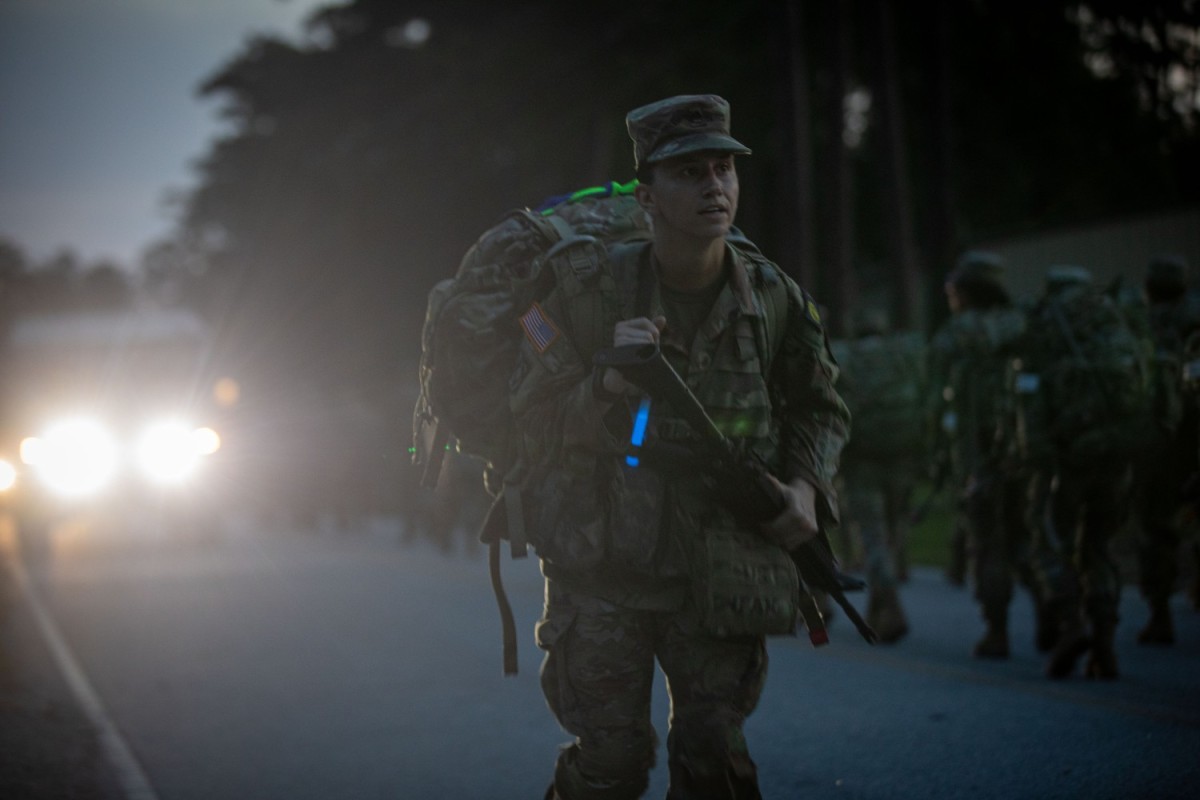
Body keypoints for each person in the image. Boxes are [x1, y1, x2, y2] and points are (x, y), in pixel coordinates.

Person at [509, 95, 850, 800]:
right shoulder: (584, 294)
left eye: (724, 168)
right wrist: (605, 382)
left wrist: (805, 489)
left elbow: (821, 407)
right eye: (690, 172)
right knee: (611, 764)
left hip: (719, 564)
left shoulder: (774, 298)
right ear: (647, 197)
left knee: (713, 759)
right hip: (602, 567)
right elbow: (531, 420)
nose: (714, 186)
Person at [1014, 266, 1148, 679]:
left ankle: (1072, 624)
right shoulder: (1115, 316)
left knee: (1048, 539)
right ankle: (1104, 642)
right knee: (1100, 546)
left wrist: (1035, 450)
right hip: (1117, 448)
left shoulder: (1046, 321)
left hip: (1067, 453)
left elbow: (1029, 386)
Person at [926, 252, 1050, 659]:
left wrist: (937, 452)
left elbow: (935, 398)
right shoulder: (1024, 323)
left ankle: (997, 631)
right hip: (1025, 453)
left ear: (966, 291)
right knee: (1024, 536)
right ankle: (1050, 610)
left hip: (977, 459)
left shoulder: (955, 333)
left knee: (987, 542)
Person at [831, 308, 925, 642]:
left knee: (871, 534)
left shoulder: (844, 356)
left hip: (861, 458)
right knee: (894, 527)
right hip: (902, 452)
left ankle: (890, 602)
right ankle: (878, 605)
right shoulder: (904, 353)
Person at [1131, 255, 1200, 644]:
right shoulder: (1194, 321)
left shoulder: (1142, 326)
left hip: (1158, 441)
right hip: (1194, 436)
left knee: (1155, 526)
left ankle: (1159, 613)